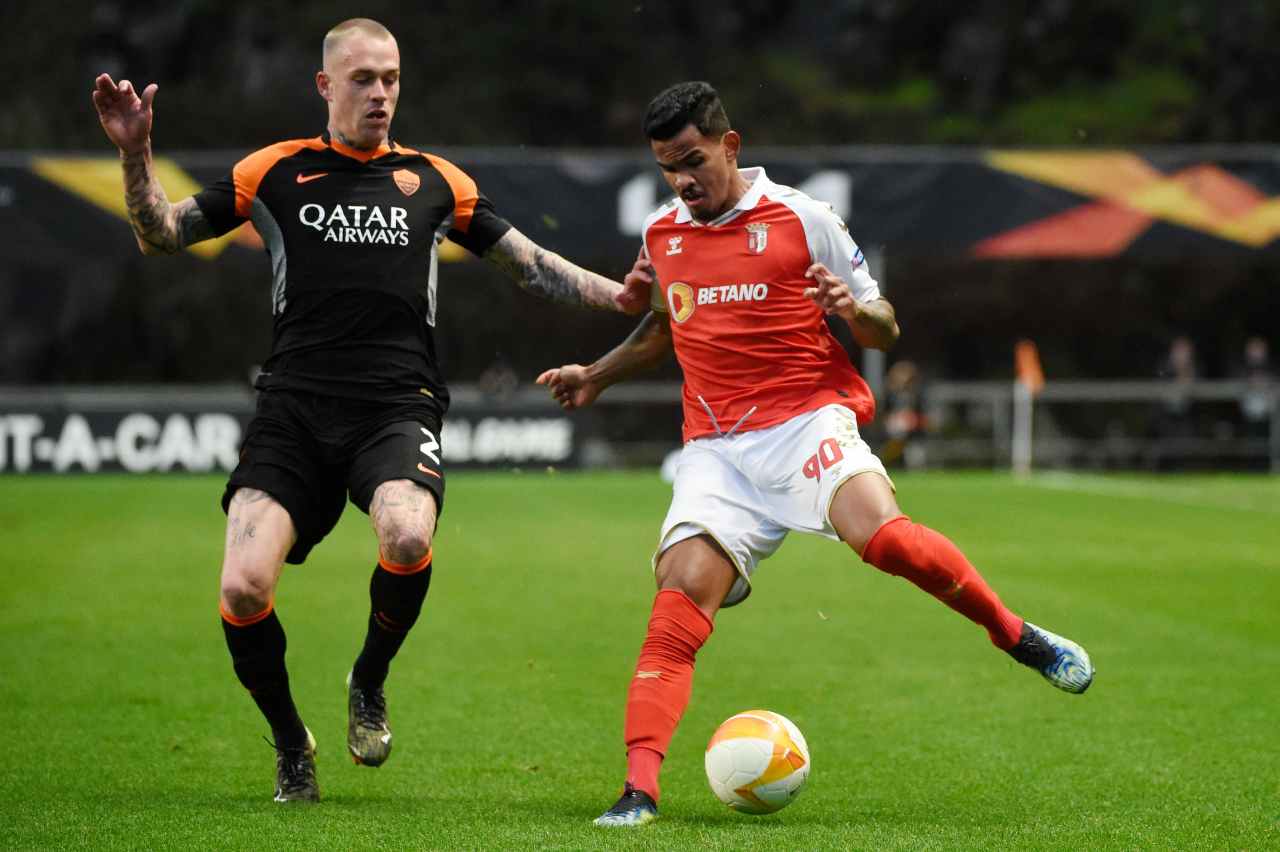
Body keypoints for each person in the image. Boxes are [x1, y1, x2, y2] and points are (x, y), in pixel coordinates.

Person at [92, 18, 646, 804]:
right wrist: (134, 153)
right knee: (244, 589)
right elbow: (163, 235)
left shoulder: (435, 181)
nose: (380, 93)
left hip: (395, 404)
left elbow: (527, 264)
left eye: (390, 77)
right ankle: (291, 744)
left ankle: (368, 679)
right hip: (292, 410)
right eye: (363, 79)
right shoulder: (274, 172)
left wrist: (616, 293)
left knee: (409, 534)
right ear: (326, 86)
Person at [536, 81, 1094, 828]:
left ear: (731, 147)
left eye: (693, 160)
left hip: (805, 422)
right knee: (674, 606)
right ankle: (639, 791)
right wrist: (595, 376)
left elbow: (885, 328)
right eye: (669, 167)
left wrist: (856, 310)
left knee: (888, 539)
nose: (683, 181)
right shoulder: (664, 233)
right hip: (717, 452)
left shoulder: (807, 219)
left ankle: (1016, 635)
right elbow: (668, 326)